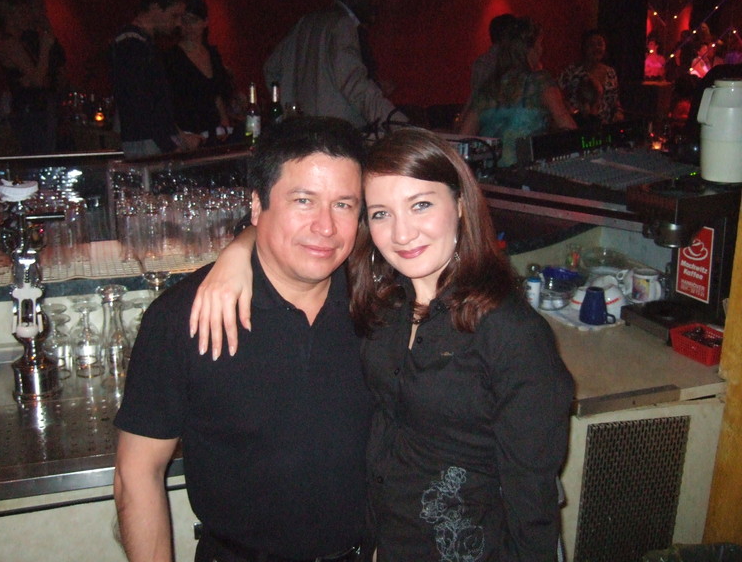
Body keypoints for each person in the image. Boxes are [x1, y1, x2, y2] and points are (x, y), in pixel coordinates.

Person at [189, 127, 575, 560]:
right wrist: (236, 253)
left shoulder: (511, 334)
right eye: (380, 213)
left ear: (460, 204)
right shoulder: (382, 302)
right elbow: (285, 228)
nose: (402, 233)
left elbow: (532, 502)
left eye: (421, 205)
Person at [114, 116, 374, 562]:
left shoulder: (377, 305)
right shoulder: (183, 317)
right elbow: (137, 473)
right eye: (303, 201)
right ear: (256, 206)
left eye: (344, 205)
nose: (326, 226)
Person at [263, 0, 407, 133]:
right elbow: (356, 87)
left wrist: (290, 107)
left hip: (301, 131)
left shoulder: (306, 21)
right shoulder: (342, 24)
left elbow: (271, 69)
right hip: (334, 134)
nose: (376, 1)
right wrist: (399, 125)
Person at [459, 16, 576, 167]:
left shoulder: (488, 87)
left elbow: (463, 138)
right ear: (529, 49)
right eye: (540, 44)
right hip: (526, 175)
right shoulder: (539, 82)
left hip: (489, 176)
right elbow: (568, 127)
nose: (542, 50)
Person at [110, 0, 202, 159]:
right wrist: (169, 145)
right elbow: (140, 103)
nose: (178, 23)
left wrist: (178, 137)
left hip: (152, 140)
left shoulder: (140, 42)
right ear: (155, 8)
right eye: (174, 15)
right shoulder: (131, 44)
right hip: (147, 142)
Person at [0, 0, 66, 154]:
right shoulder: (10, 44)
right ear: (11, 16)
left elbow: (42, 77)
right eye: (22, 13)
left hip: (35, 110)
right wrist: (45, 48)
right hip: (29, 112)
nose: (27, 17)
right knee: (38, 157)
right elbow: (38, 81)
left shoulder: (20, 41)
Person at [162, 0, 235, 144]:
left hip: (214, 130)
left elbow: (217, 94)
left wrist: (224, 122)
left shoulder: (212, 54)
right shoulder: (171, 58)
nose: (188, 27)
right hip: (187, 131)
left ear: (205, 22)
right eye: (184, 21)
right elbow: (165, 101)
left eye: (193, 20)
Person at [459, 12, 516, 135]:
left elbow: (474, 96)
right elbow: (477, 96)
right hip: (492, 126)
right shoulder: (503, 62)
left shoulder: (482, 61)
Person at [559, 29, 624, 125]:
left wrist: (618, 112)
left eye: (600, 44)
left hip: (604, 124)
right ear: (584, 47)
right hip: (579, 123)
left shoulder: (610, 72)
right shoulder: (572, 71)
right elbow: (557, 93)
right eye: (592, 45)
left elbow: (614, 100)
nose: (596, 48)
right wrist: (570, 109)